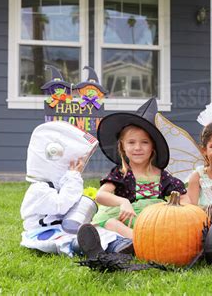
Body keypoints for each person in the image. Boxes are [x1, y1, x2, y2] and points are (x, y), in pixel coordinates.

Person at [20, 121, 131, 257]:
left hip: (65, 228)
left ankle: (119, 243)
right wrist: (73, 177)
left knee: (97, 232)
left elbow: (73, 208)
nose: (76, 170)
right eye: (71, 167)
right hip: (44, 232)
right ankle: (82, 246)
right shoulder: (39, 190)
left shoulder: (59, 186)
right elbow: (61, 205)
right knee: (65, 241)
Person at [91, 98, 188, 239]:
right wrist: (123, 202)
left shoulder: (162, 176)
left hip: (151, 221)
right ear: (122, 146)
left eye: (144, 142)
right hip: (126, 218)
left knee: (165, 228)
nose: (137, 148)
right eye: (131, 142)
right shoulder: (121, 173)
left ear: (153, 147)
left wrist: (172, 210)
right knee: (111, 223)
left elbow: (185, 198)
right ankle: (136, 240)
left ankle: (138, 241)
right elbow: (101, 196)